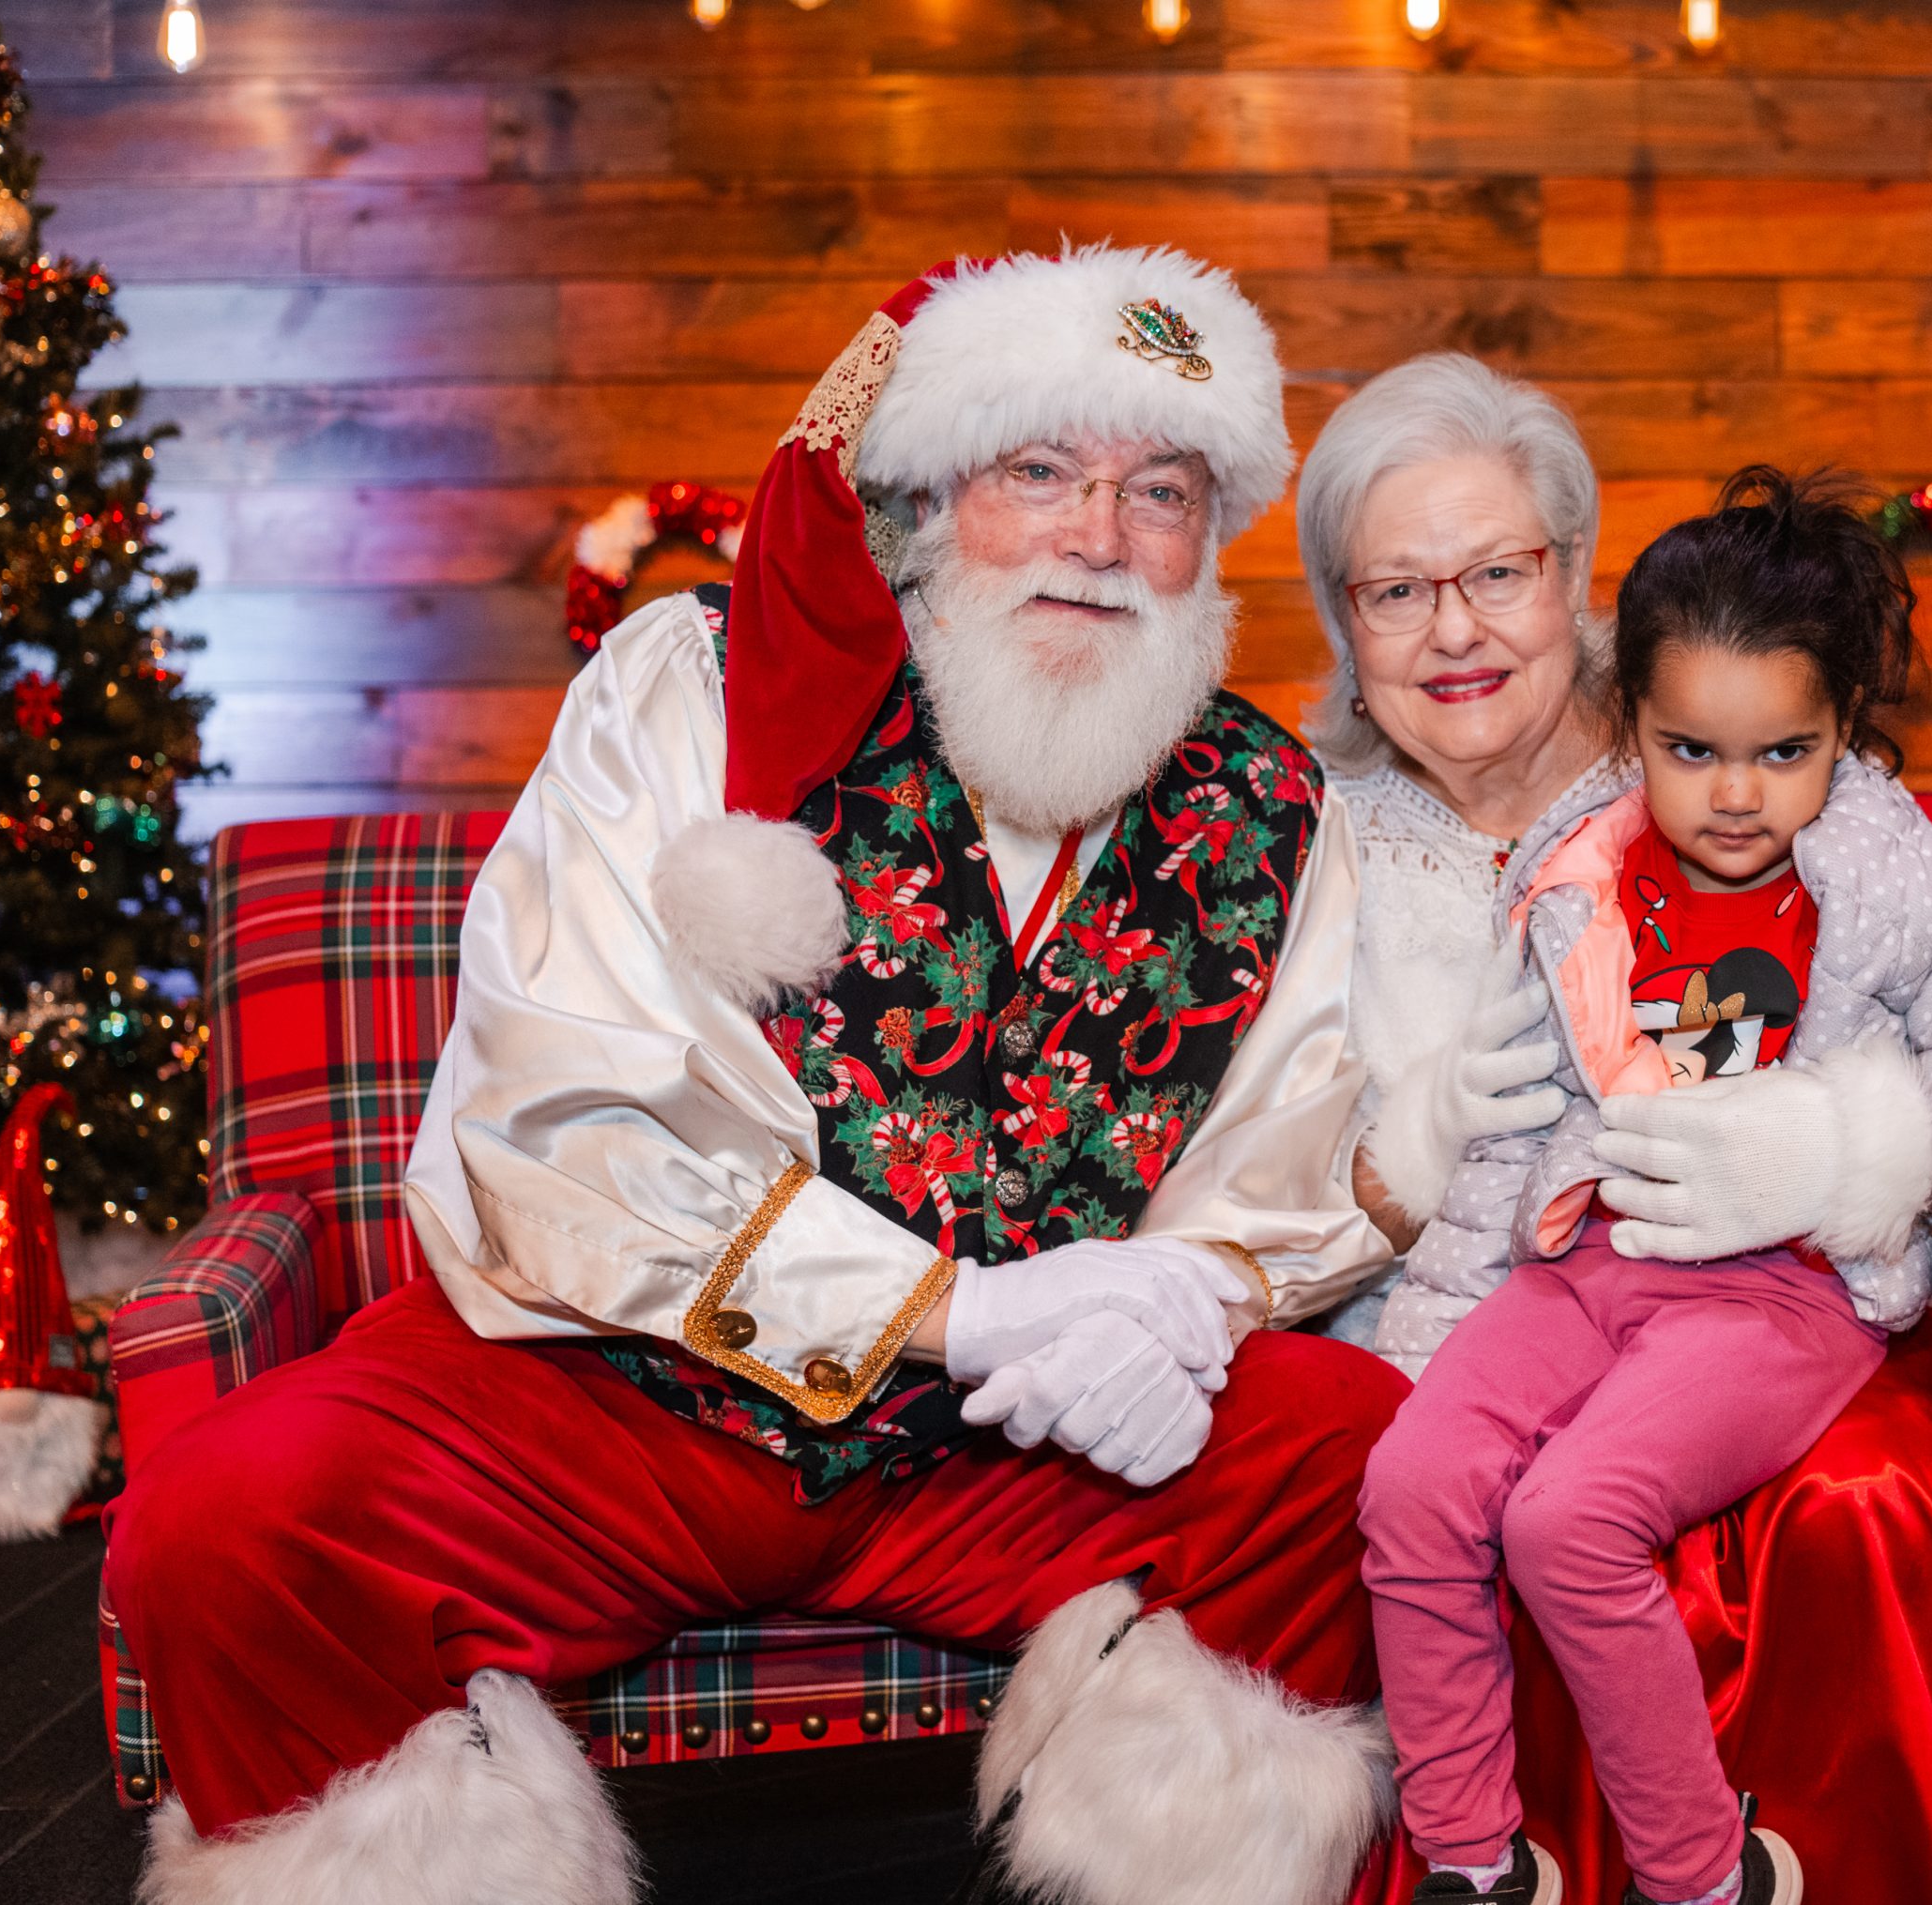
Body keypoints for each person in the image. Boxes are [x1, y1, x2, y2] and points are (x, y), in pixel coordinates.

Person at [104, 245, 1411, 1905]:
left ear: (1208, 538)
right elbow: (560, 1113)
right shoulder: (687, 690)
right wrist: (959, 1309)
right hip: (612, 1400)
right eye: (1040, 473)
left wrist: (1173, 1308)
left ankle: (1167, 1863)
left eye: (1158, 491)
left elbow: (1300, 1137)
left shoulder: (1272, 804)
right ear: (932, 496)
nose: (1099, 536)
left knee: (1362, 1457)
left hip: (999, 1451)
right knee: (226, 1514)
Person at [1360, 468, 1932, 1905]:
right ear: (1632, 719)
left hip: (1783, 1295)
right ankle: (1469, 1854)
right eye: (1690, 747)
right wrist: (1427, 1344)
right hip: (1588, 1260)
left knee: (1567, 1519)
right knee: (1412, 1479)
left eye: (1784, 751)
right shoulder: (1577, 876)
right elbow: (1515, 1134)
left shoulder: (1917, 897)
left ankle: (1707, 1873)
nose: (1734, 792)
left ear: (1846, 727)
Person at [1295, 359, 1929, 1370]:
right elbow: (1240, 1225)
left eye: (1498, 572)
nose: (1455, 630)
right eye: (1398, 590)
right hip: (1414, 1366)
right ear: (1346, 621)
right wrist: (1416, 1151)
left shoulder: (1725, 778)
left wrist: (1844, 1153)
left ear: (1574, 571)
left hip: (1741, 1342)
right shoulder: (1293, 843)